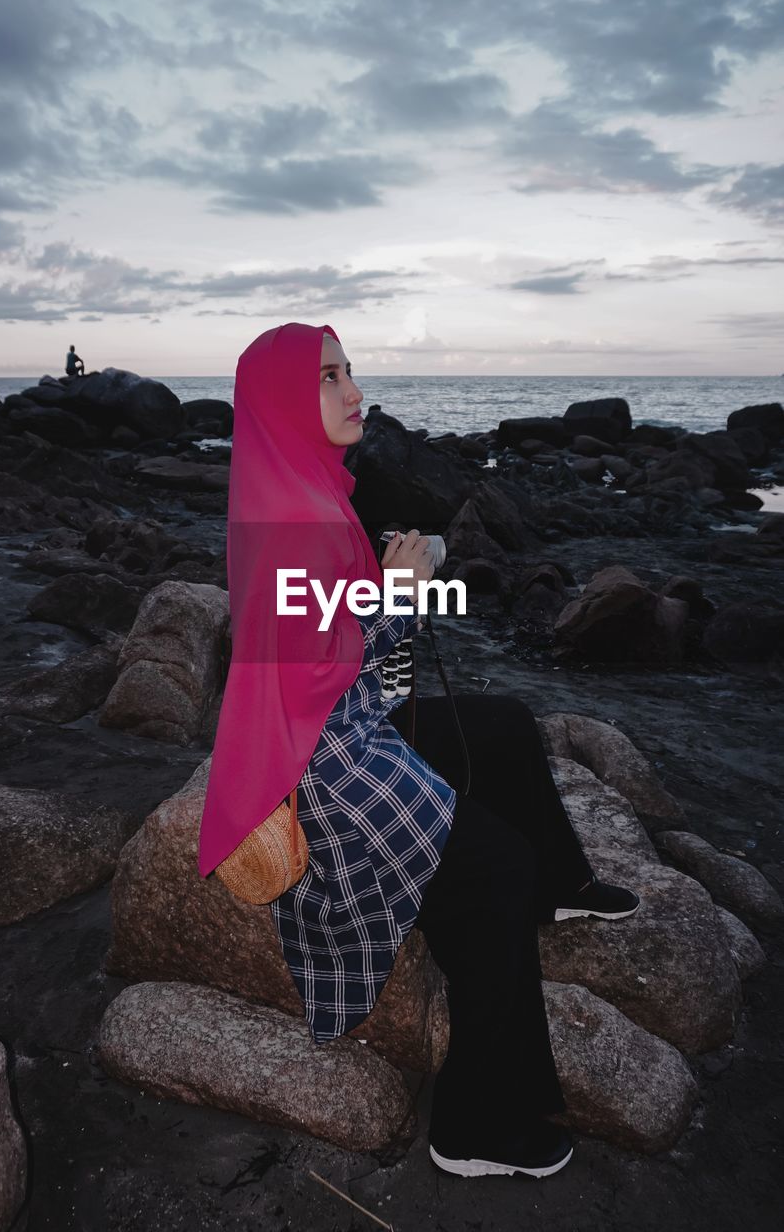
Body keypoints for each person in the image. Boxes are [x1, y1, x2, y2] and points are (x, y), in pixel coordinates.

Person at [197, 322, 640, 1181]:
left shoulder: (308, 489)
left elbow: (334, 629)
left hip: (347, 721)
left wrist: (390, 578)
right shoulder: (293, 513)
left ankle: (564, 885)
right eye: (327, 377)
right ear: (286, 401)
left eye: (348, 370)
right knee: (492, 869)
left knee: (504, 723)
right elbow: (316, 668)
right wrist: (399, 594)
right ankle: (474, 1125)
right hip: (321, 763)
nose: (352, 388)